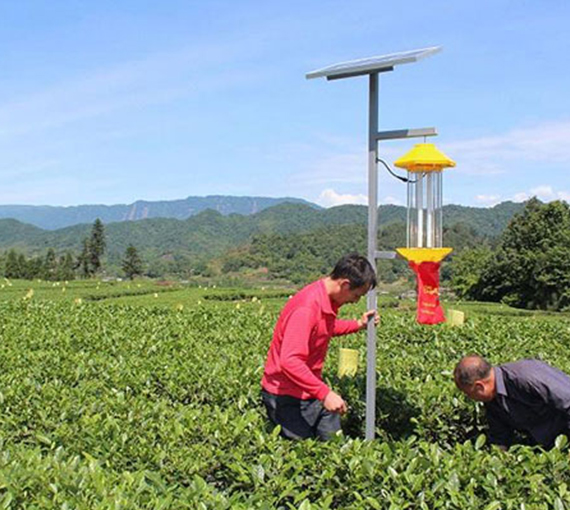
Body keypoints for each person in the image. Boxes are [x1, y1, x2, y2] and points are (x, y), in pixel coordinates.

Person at [261, 253, 379, 440]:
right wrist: (325, 394)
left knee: (334, 446)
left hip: (309, 389)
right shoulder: (307, 308)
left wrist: (358, 324)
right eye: (357, 295)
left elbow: (325, 329)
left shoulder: (326, 299)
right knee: (303, 457)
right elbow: (289, 361)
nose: (356, 301)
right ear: (345, 284)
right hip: (287, 396)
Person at [454, 355, 570, 449]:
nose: (471, 398)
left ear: (479, 386)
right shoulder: (492, 400)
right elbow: (500, 436)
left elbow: (567, 400)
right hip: (549, 444)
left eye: (469, 393)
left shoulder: (526, 377)